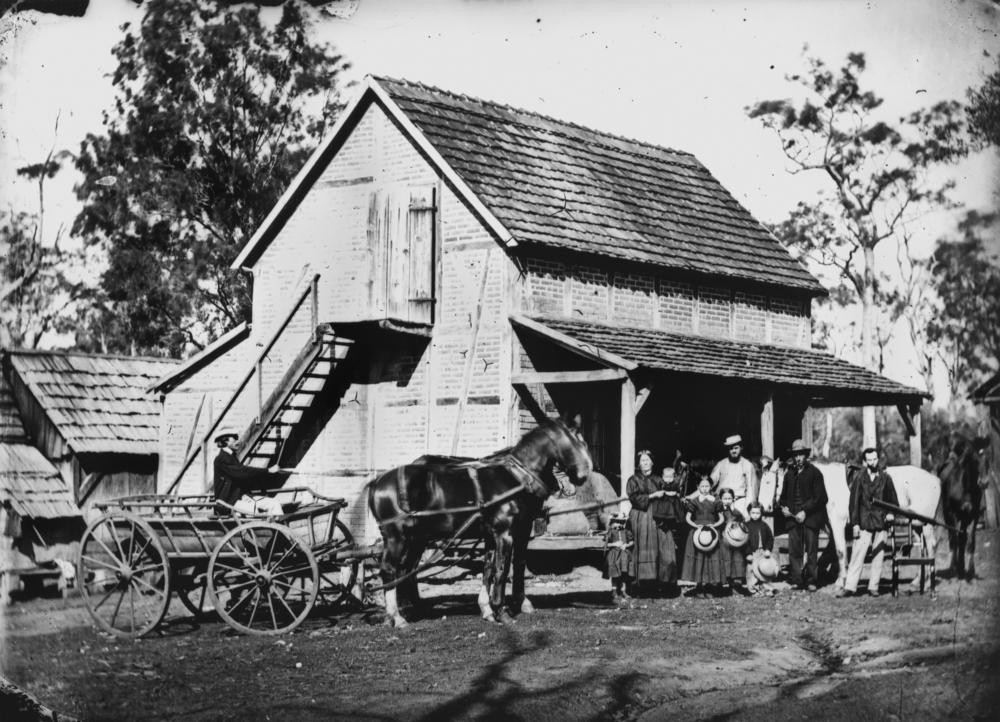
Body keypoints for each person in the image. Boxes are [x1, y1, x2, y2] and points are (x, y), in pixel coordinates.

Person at [837, 447, 898, 598]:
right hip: (864, 522)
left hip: (881, 522)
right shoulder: (859, 477)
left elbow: (893, 501)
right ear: (865, 461)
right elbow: (853, 503)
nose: (873, 462)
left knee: (879, 555)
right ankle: (850, 587)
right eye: (869, 460)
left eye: (875, 459)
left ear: (878, 459)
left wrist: (890, 514)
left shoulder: (886, 478)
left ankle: (873, 587)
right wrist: (855, 523)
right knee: (858, 554)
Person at [626, 450, 677, 594]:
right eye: (642, 461)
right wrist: (653, 495)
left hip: (658, 515)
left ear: (652, 462)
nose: (645, 463)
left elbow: (669, 496)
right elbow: (634, 498)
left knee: (662, 547)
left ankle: (659, 584)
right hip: (641, 515)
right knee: (642, 547)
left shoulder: (659, 480)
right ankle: (641, 585)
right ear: (639, 464)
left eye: (647, 460)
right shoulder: (633, 480)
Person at [779, 439, 827, 591]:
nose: (798, 458)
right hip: (793, 519)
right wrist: (784, 507)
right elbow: (783, 497)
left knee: (811, 550)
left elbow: (821, 498)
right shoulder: (789, 474)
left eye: (801, 455)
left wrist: (805, 510)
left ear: (806, 456)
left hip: (811, 518)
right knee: (794, 550)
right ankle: (797, 579)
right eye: (795, 455)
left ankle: (812, 580)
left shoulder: (815, 473)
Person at [213, 426, 289, 516]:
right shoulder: (221, 459)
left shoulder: (231, 456)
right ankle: (265, 529)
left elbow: (242, 477)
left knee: (274, 503)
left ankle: (278, 528)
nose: (238, 441)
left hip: (240, 498)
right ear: (225, 440)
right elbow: (242, 472)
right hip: (227, 503)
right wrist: (268, 470)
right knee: (254, 511)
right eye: (234, 438)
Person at [680, 476, 725, 597]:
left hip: (711, 532)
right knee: (698, 558)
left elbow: (722, 518)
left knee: (710, 558)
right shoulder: (694, 501)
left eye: (707, 486)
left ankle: (710, 586)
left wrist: (714, 525)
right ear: (698, 487)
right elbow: (688, 518)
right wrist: (696, 526)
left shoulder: (715, 500)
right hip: (697, 533)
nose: (705, 489)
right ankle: (699, 586)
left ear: (711, 487)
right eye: (702, 486)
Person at [710, 435, 759, 519]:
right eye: (731, 449)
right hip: (721, 500)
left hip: (739, 501)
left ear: (741, 448)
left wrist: (747, 510)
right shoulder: (721, 464)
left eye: (736, 448)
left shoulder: (747, 465)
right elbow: (711, 481)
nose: (733, 451)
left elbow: (751, 489)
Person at [718, 488, 747, 593]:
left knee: (736, 558)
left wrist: (734, 510)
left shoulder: (735, 510)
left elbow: (742, 520)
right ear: (721, 499)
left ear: (733, 499)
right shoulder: (719, 510)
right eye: (725, 498)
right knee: (725, 557)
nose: (727, 500)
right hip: (723, 538)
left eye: (729, 498)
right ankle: (724, 580)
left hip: (734, 539)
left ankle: (736, 581)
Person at [743, 501, 776, 596]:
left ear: (761, 513)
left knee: (764, 570)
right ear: (749, 513)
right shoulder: (746, 525)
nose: (755, 515)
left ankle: (766, 589)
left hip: (763, 552)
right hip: (752, 553)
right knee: (752, 571)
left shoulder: (764, 525)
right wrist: (748, 553)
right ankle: (753, 590)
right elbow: (744, 541)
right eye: (753, 513)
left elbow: (770, 538)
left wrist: (768, 550)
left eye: (758, 513)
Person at [603, 513, 634, 608]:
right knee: (614, 573)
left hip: (624, 554)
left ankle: (623, 591)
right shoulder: (611, 532)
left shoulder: (626, 531)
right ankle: (614, 591)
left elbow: (632, 541)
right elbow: (606, 544)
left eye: (621, 522)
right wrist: (615, 544)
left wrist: (626, 545)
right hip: (614, 554)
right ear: (612, 523)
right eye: (617, 522)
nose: (619, 524)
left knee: (624, 573)